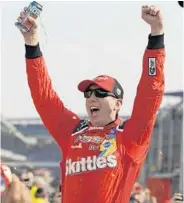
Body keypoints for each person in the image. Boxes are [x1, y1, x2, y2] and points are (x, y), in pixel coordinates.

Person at [17, 4, 165, 203]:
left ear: (118, 104)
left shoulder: (131, 136)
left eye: (100, 93)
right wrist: (31, 44)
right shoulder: (73, 131)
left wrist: (157, 35)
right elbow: (44, 98)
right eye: (88, 93)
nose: (91, 98)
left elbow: (151, 92)